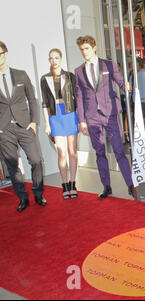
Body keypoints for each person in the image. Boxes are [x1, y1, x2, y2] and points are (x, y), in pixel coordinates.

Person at [74, 35, 133, 199]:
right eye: (82, 49)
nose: (84, 52)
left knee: (119, 150)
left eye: (86, 48)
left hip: (110, 114)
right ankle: (106, 186)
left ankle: (130, 184)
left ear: (94, 48)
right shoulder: (78, 72)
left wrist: (125, 85)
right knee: (99, 152)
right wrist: (81, 121)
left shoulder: (108, 64)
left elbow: (119, 81)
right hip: (91, 116)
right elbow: (79, 97)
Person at [0, 41, 46, 212]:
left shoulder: (20, 75)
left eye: (0, 53)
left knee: (36, 160)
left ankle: (39, 193)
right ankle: (23, 197)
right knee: (12, 166)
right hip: (4, 130)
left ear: (5, 53)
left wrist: (34, 121)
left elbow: (32, 99)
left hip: (25, 126)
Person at [40, 48, 79, 200]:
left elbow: (77, 97)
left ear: (61, 59)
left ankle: (73, 183)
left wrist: (80, 118)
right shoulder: (45, 78)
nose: (54, 61)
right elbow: (44, 103)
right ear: (49, 60)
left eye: (56, 58)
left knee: (72, 151)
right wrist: (47, 123)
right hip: (55, 117)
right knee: (62, 153)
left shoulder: (69, 76)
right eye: (51, 58)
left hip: (70, 114)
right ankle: (64, 184)